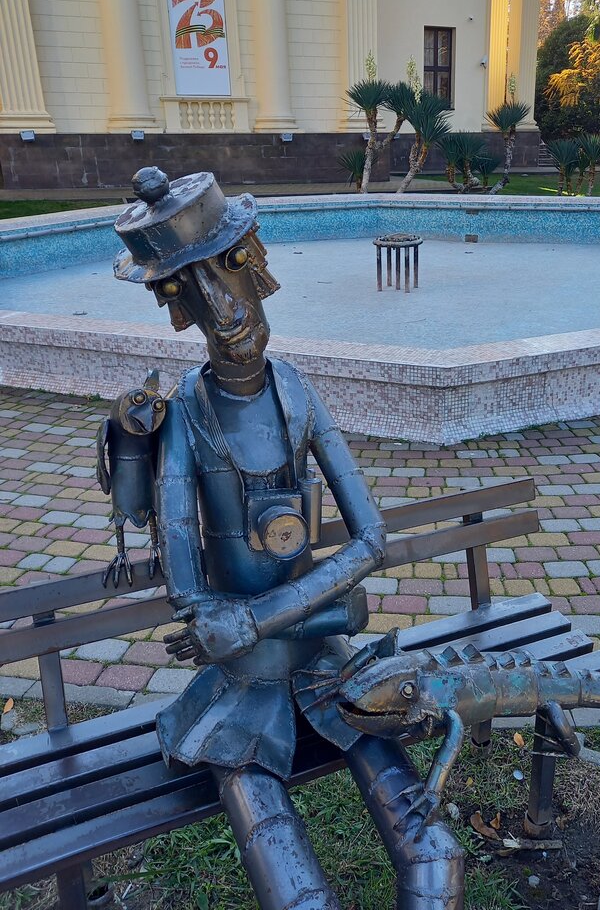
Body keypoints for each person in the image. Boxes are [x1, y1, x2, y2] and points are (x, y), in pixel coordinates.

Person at [112, 167, 465, 910]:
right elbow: (187, 585)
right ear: (181, 309)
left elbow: (374, 542)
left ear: (255, 271)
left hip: (322, 661)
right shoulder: (185, 413)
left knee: (436, 859)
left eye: (228, 281)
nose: (225, 313)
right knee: (300, 896)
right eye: (196, 294)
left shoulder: (299, 391)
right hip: (240, 684)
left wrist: (254, 619)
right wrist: (233, 622)